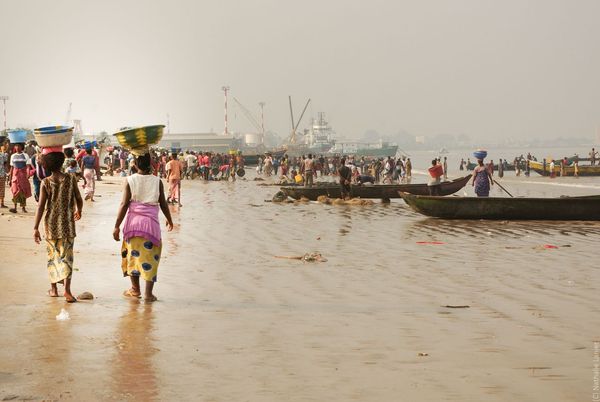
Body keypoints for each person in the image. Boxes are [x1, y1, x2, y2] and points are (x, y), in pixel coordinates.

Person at [113, 152, 174, 302]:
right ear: (150, 164)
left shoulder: (130, 180)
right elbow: (163, 203)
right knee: (150, 258)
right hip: (151, 226)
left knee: (133, 256)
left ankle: (135, 289)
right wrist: (169, 219)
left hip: (133, 224)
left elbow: (124, 204)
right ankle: (148, 294)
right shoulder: (157, 181)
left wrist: (116, 226)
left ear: (134, 165)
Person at [33, 151, 83, 303]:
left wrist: (35, 227)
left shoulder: (45, 182)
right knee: (67, 257)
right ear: (62, 164)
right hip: (67, 225)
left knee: (52, 257)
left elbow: (41, 206)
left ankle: (54, 289)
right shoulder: (70, 179)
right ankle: (67, 291)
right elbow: (79, 198)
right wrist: (78, 210)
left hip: (51, 225)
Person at [8, 143, 32, 213]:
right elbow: (12, 168)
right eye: (16, 146)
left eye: (19, 146)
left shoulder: (25, 155)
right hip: (15, 176)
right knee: (15, 191)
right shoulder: (13, 156)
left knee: (23, 191)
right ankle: (14, 207)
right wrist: (9, 179)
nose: (17, 147)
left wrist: (28, 174)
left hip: (23, 175)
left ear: (22, 147)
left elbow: (28, 166)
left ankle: (23, 207)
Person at [0, 141, 8, 208]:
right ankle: (1, 204)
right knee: (2, 189)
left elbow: (5, 162)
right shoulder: (3, 154)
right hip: (2, 174)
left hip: (2, 174)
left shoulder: (4, 154)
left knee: (2, 189)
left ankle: (1, 203)